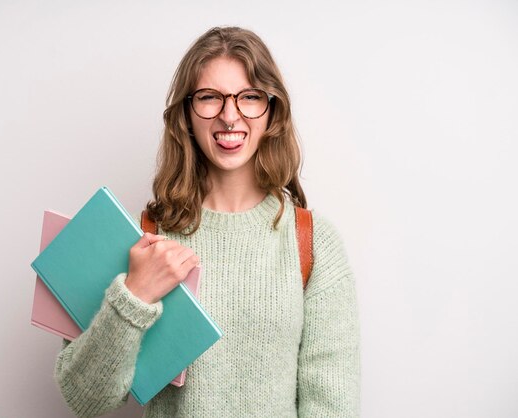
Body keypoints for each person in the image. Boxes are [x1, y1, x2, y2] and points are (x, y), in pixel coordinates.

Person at [54, 26, 360, 418]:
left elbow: (333, 407)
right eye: (209, 98)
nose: (229, 116)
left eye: (249, 97)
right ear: (186, 112)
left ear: (271, 111)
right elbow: (85, 400)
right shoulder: (140, 239)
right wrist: (134, 295)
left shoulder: (313, 244)